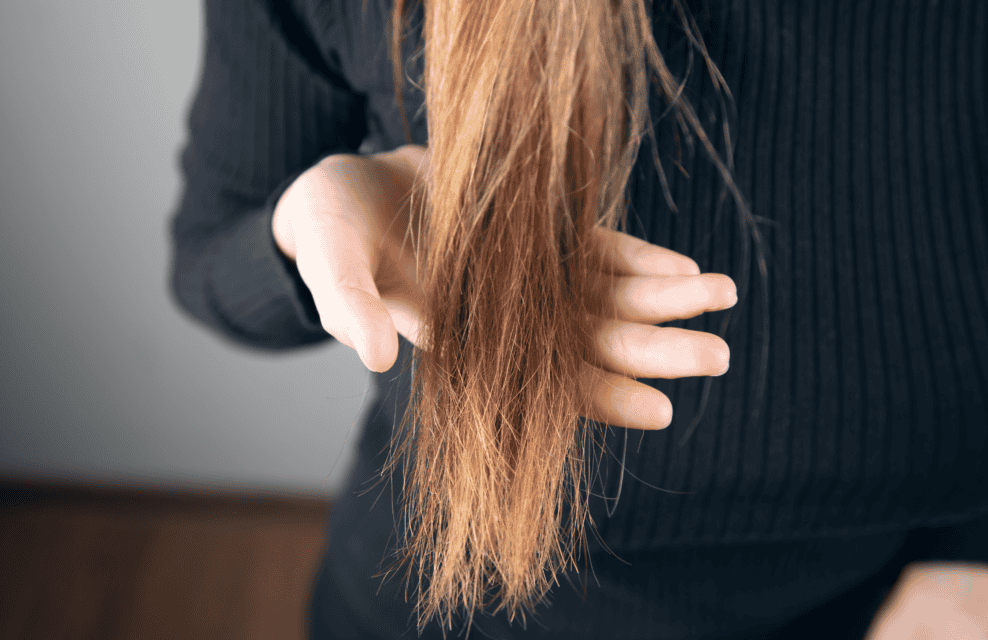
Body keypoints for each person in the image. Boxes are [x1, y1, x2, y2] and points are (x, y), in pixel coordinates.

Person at [168, 0, 988, 638]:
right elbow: (209, 254)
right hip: (461, 608)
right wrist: (306, 236)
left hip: (900, 602)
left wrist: (969, 560)